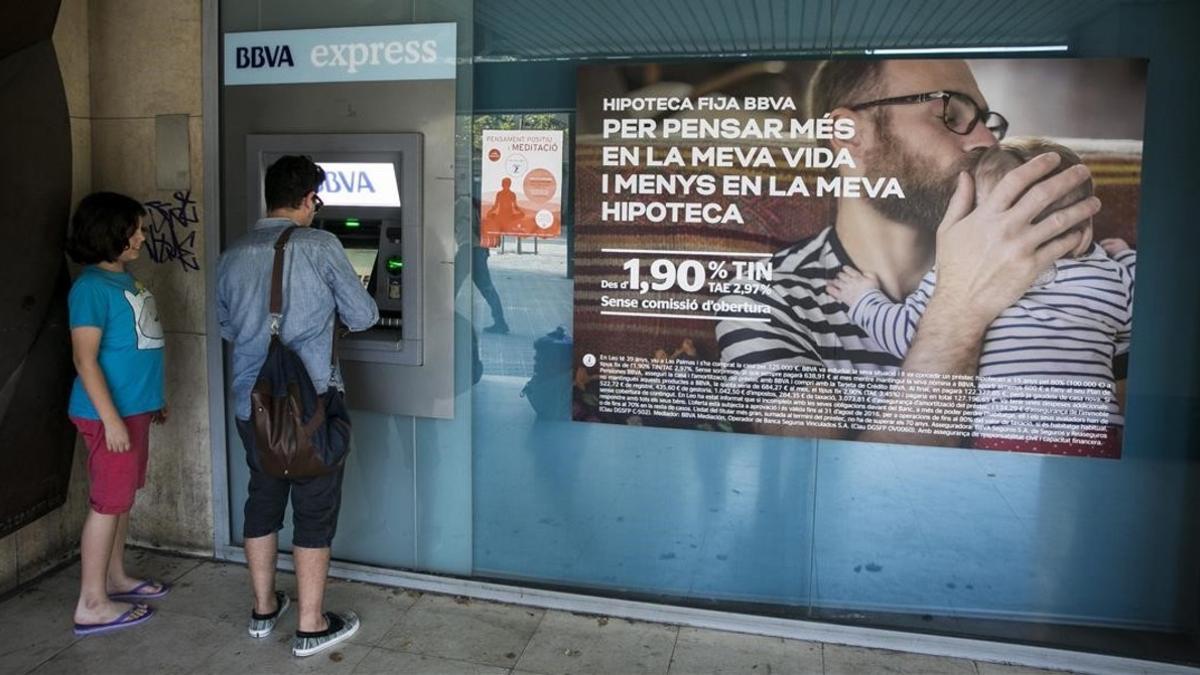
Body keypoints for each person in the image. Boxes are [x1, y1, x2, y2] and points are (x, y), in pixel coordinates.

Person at [715, 59, 1101, 443]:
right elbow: (833, 497)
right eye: (950, 113)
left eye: (987, 120)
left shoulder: (1038, 259)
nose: (987, 142)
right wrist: (959, 311)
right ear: (849, 132)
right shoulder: (766, 300)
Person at [828, 138, 1135, 454]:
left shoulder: (960, 271)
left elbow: (908, 335)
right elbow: (1141, 319)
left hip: (1005, 439)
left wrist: (863, 300)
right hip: (1094, 440)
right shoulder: (1106, 276)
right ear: (1083, 233)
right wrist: (1125, 257)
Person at [217, 156, 378, 657]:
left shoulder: (234, 252)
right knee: (314, 508)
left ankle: (264, 610)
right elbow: (365, 313)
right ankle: (311, 625)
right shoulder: (322, 245)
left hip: (254, 405)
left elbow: (226, 326)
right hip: (313, 403)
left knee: (262, 498)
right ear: (309, 199)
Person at [65, 191, 169, 636]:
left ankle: (116, 576)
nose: (142, 237)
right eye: (135, 229)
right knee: (107, 504)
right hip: (110, 416)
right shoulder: (90, 287)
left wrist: (151, 401)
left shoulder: (123, 280)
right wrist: (110, 420)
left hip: (133, 411)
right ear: (110, 233)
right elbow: (85, 360)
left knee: (121, 499)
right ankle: (92, 602)